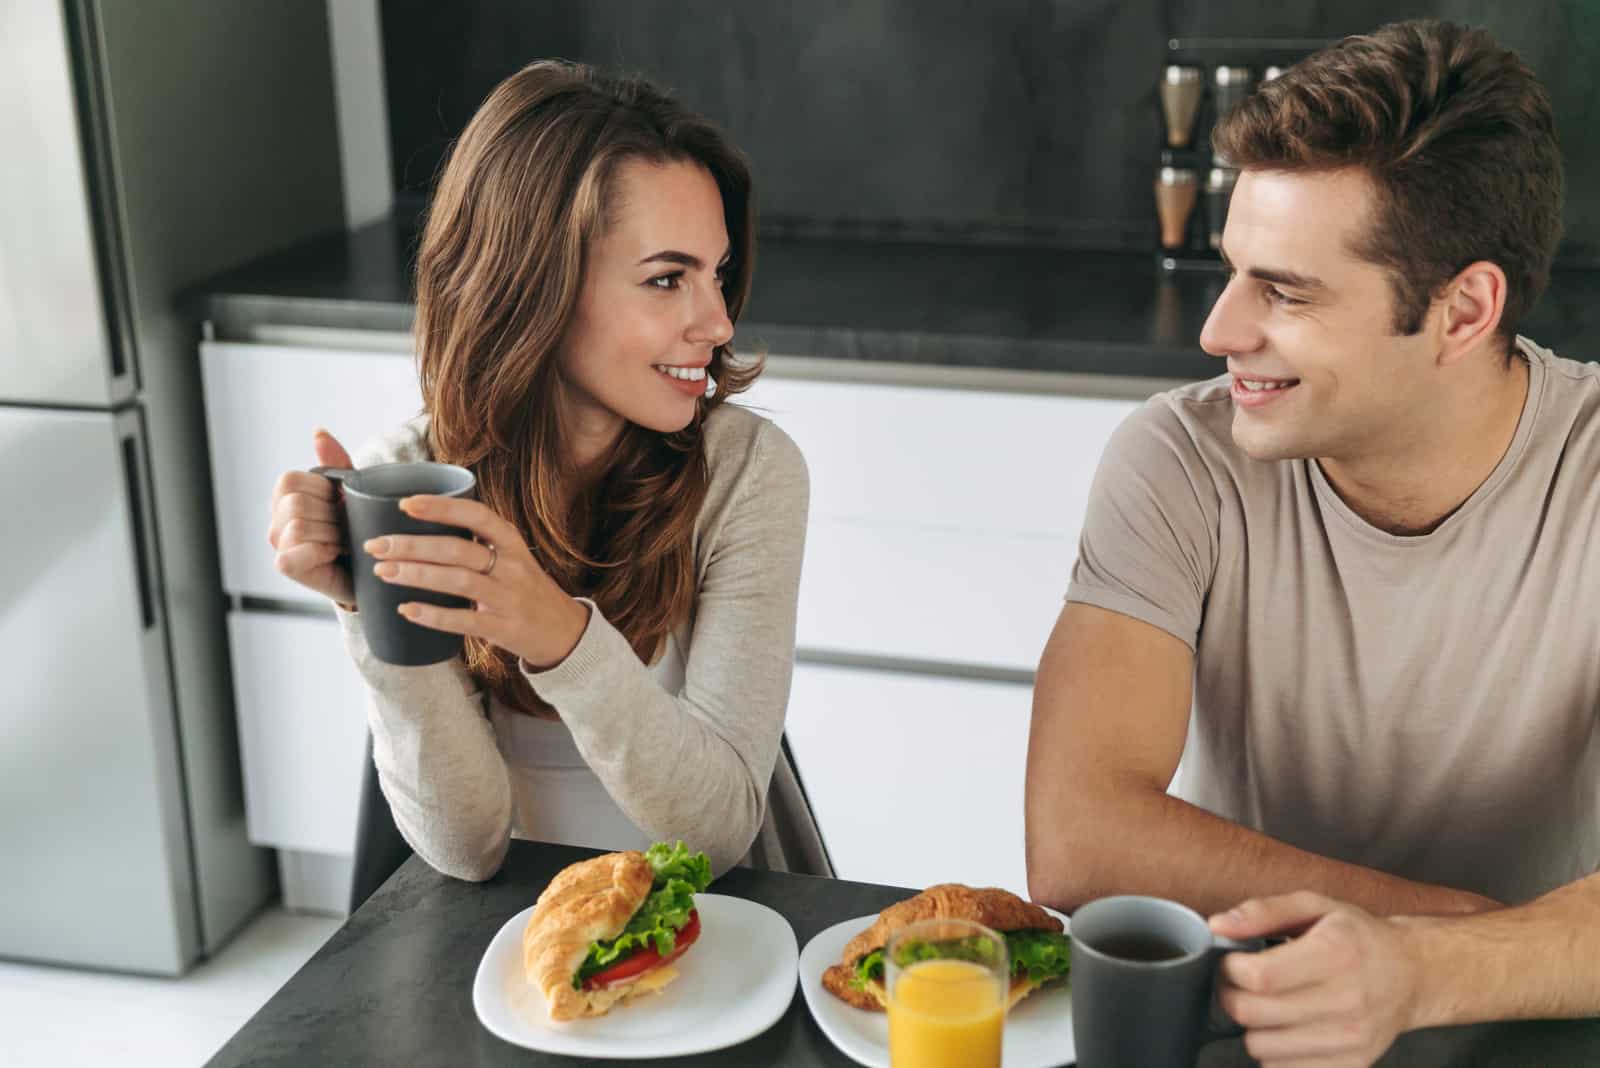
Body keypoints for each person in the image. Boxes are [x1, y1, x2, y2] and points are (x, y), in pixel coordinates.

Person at [1025, 19, 1600, 1065]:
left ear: (1463, 310)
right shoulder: (1176, 459)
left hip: (1527, 1030)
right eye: (1234, 268)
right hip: (1258, 1014)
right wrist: (1462, 930)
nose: (1217, 330)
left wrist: (1423, 971)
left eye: (1284, 291)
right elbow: (1078, 838)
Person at [267, 61, 827, 881]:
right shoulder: (409, 482)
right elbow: (466, 848)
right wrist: (366, 602)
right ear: (532, 282)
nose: (716, 321)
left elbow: (717, 833)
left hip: (719, 932)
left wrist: (557, 636)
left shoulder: (748, 472)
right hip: (507, 945)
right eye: (667, 279)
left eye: (718, 273)